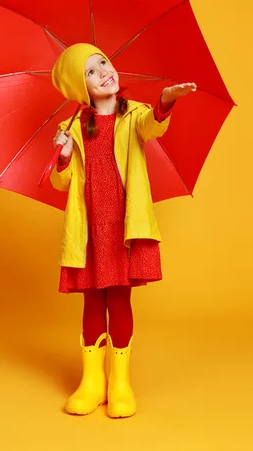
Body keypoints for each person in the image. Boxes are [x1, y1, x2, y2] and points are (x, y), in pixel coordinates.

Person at [49, 43, 196, 418]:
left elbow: (154, 125)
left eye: (104, 63)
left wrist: (165, 100)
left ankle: (120, 383)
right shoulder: (76, 128)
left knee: (120, 300)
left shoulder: (134, 116)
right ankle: (92, 381)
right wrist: (63, 155)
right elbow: (60, 183)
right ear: (80, 90)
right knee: (92, 302)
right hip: (89, 228)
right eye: (92, 72)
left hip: (123, 226)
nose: (104, 72)